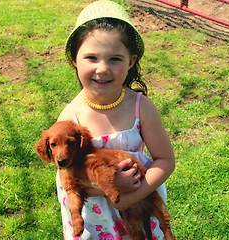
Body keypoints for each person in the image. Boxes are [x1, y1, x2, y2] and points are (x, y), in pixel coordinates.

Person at [56, 0, 176, 239]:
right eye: (91, 57)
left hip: (140, 208)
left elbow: (165, 161)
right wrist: (110, 188)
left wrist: (131, 195)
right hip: (96, 221)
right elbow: (67, 176)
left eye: (114, 59)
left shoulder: (141, 108)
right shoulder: (71, 118)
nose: (102, 69)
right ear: (74, 60)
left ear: (130, 61)